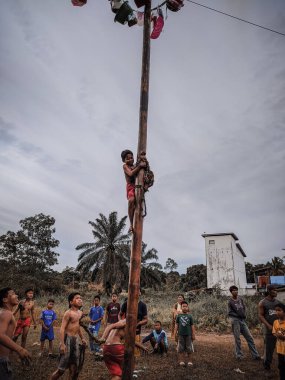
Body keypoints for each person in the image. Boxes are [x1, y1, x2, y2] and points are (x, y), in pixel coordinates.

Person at [50, 292, 87, 380]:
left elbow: (77, 327)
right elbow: (62, 329)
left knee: (73, 368)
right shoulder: (68, 313)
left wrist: (82, 338)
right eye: (77, 298)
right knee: (61, 370)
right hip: (67, 340)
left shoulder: (80, 313)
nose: (80, 299)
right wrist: (62, 344)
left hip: (75, 340)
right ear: (71, 302)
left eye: (80, 297)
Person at [0, 287, 31, 380]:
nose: (16, 295)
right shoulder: (7, 314)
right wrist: (20, 349)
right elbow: (0, 335)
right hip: (1, 360)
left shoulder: (4, 312)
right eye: (13, 294)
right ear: (5, 300)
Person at [228, 285, 260, 360]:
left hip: (242, 320)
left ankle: (255, 355)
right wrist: (238, 315)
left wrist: (243, 314)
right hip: (235, 321)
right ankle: (239, 355)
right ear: (231, 292)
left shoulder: (240, 299)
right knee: (237, 338)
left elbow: (243, 307)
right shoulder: (230, 301)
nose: (235, 291)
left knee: (250, 337)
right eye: (233, 290)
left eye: (236, 290)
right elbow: (229, 312)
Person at [121, 149, 147, 233]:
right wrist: (140, 166)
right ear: (124, 160)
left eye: (131, 157)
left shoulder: (135, 165)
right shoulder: (125, 166)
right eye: (128, 158)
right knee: (131, 201)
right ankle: (131, 224)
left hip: (138, 187)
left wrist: (143, 164)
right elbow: (131, 174)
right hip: (131, 188)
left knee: (139, 206)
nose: (130, 159)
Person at [120, 291, 148, 357]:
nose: (136, 295)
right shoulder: (126, 303)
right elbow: (120, 314)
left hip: (136, 331)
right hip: (126, 330)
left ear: (140, 294)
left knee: (135, 354)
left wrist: (138, 323)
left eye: (138, 293)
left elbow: (146, 320)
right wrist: (121, 322)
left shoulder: (142, 305)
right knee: (125, 352)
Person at [259, 284, 279, 371]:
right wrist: (268, 325)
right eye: (274, 290)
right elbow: (260, 316)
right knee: (269, 348)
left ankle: (281, 366)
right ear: (269, 291)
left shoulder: (278, 302)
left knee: (281, 346)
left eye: (276, 290)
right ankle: (267, 367)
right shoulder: (263, 302)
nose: (276, 292)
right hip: (268, 328)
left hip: (278, 328)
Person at [174, 300, 195, 367]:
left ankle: (190, 361)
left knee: (189, 348)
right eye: (183, 306)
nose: (185, 308)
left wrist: (193, 334)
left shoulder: (190, 316)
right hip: (180, 335)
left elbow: (192, 326)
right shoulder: (178, 316)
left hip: (188, 335)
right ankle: (181, 361)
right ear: (181, 307)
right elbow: (176, 325)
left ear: (188, 307)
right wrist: (175, 334)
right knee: (180, 348)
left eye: (186, 306)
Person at [272, 302, 285, 380]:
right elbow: (274, 332)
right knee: (281, 366)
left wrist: (283, 337)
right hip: (280, 349)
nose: (277, 312)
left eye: (279, 310)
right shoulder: (275, 322)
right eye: (276, 310)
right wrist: (278, 335)